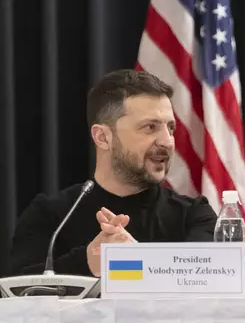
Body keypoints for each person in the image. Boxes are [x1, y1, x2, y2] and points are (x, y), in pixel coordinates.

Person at [10, 69, 217, 277]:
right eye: (150, 127)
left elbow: (204, 280)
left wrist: (133, 261)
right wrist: (88, 262)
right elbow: (15, 292)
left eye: (170, 128)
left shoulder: (195, 216)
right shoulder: (50, 216)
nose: (167, 141)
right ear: (103, 137)